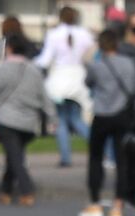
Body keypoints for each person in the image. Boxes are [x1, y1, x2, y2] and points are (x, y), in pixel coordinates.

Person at [0, 33, 55, 209]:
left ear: (9, 49)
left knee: (15, 157)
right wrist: (53, 118)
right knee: (14, 155)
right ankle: (5, 191)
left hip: (5, 120)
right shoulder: (34, 71)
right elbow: (45, 97)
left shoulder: (2, 69)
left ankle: (27, 190)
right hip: (29, 122)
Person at [80, 29, 135, 216]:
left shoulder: (96, 65)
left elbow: (88, 83)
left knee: (95, 158)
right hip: (123, 114)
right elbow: (134, 88)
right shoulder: (129, 64)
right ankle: (117, 206)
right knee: (122, 160)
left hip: (102, 114)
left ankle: (95, 201)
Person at [36, 6, 94, 168]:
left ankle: (66, 157)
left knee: (60, 120)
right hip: (78, 80)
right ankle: (99, 149)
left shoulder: (54, 35)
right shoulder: (84, 34)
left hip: (59, 81)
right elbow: (91, 56)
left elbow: (45, 60)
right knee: (76, 119)